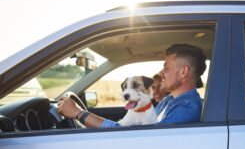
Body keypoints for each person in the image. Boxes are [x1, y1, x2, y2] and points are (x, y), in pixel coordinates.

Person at [57, 43, 207, 127]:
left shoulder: (187, 109)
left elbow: (141, 136)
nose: (161, 73)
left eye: (166, 68)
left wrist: (78, 113)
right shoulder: (169, 101)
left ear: (183, 72)